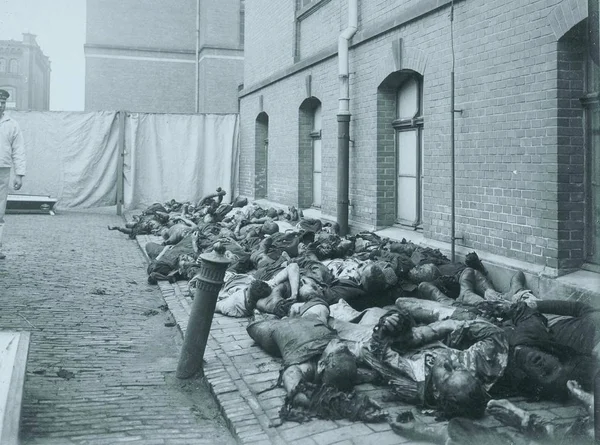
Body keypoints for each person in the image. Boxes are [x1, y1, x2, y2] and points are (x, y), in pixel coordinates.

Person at [0, 89, 25, 260]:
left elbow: (19, 150)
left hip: (3, 170)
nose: (0, 105)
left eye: (2, 102)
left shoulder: (12, 124)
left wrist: (20, 174)